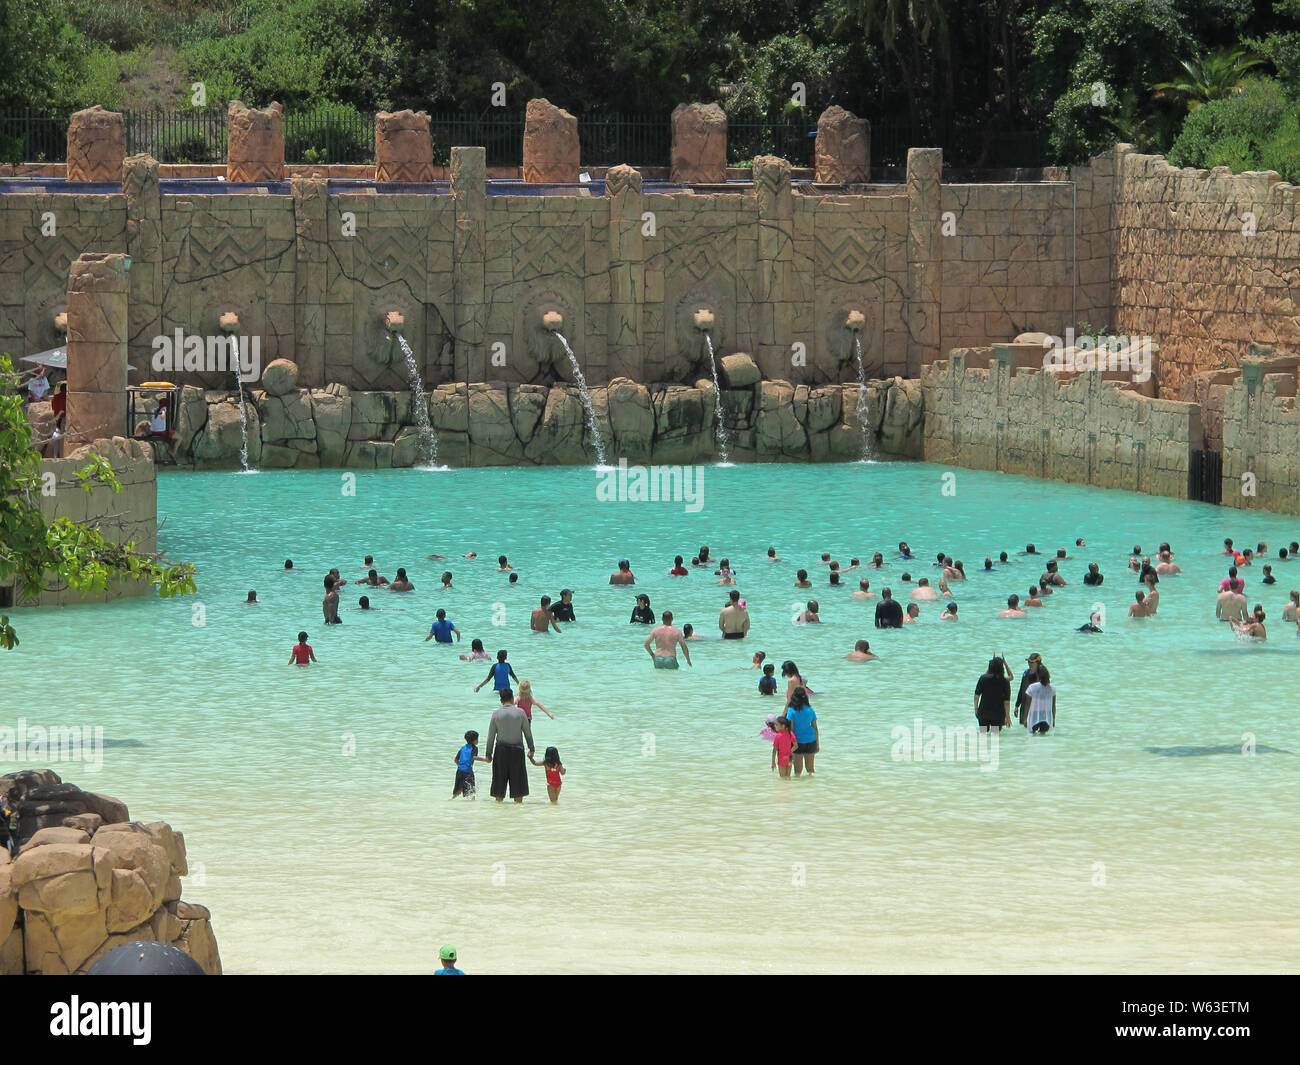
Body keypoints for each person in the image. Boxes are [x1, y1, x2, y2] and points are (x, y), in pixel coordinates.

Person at [485, 688, 534, 803]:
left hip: (501, 751)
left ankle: (498, 814)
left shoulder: (496, 714)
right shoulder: (521, 712)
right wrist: (531, 748)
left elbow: (491, 736)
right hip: (517, 751)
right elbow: (528, 732)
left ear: (501, 700)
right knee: (518, 788)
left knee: (499, 788)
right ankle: (517, 816)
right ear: (512, 698)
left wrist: (488, 753)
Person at [784, 687, 819, 776]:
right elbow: (815, 727)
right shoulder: (810, 709)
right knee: (810, 769)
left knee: (798, 771)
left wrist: (789, 745)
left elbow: (791, 729)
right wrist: (817, 744)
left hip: (797, 741)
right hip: (811, 740)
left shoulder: (791, 711)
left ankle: (799, 788)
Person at [974, 657, 1012, 732]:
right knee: (995, 736)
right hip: (998, 714)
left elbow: (976, 696)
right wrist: (1007, 716)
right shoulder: (1005, 681)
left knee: (983, 734)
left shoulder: (983, 678)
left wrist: (976, 709)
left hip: (983, 712)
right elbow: (1006, 701)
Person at [452, 730, 490, 798]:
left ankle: (451, 800)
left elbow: (456, 760)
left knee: (457, 791)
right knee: (471, 792)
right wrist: (485, 759)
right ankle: (472, 805)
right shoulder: (474, 748)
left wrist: (461, 766)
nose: (478, 740)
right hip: (468, 773)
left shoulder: (463, 748)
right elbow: (474, 757)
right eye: (477, 739)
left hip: (459, 771)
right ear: (474, 740)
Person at [1024, 666, 1057, 734]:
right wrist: (1053, 719)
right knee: (1043, 737)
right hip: (1046, 716)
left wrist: (1025, 719)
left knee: (1033, 737)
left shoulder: (1032, 687)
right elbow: (1053, 706)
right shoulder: (1052, 688)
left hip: (1034, 715)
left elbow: (1027, 704)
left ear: (1038, 675)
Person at [1016, 653, 1042, 726]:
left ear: (1038, 663)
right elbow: (1021, 689)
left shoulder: (1042, 674)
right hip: (1024, 706)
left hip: (1036, 707)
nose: (1029, 664)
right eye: (1028, 662)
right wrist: (1017, 705)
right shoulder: (1025, 673)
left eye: (1032, 662)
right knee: (1024, 730)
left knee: (1036, 730)